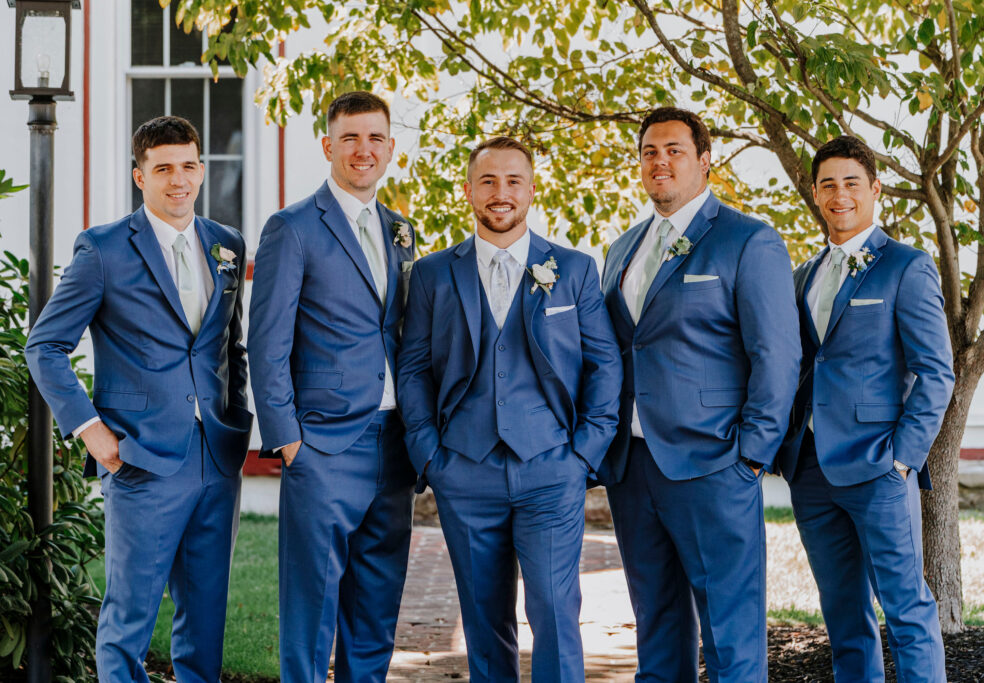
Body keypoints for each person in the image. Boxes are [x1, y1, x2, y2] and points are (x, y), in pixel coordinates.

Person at [25, 115, 251, 682]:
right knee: (128, 621)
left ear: (202, 170)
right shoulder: (103, 250)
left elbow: (231, 345)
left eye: (189, 166)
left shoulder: (226, 245)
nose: (180, 180)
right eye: (164, 168)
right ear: (139, 176)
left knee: (206, 620)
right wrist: (93, 433)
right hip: (140, 458)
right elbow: (45, 346)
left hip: (216, 457)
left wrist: (239, 419)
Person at [397, 136, 622, 683]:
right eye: (489, 181)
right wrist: (430, 456)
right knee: (483, 618)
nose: (501, 193)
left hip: (550, 469)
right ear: (469, 190)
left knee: (553, 611)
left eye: (513, 181)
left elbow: (605, 365)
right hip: (463, 471)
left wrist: (583, 456)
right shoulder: (431, 273)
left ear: (532, 189)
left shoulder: (573, 269)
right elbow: (413, 369)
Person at [598, 106, 801, 682]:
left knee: (732, 639)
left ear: (705, 161)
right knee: (657, 627)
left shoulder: (747, 240)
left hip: (716, 463)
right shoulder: (623, 248)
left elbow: (777, 353)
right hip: (634, 466)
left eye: (674, 150)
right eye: (649, 152)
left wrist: (753, 453)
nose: (659, 162)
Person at [248, 91, 417, 683]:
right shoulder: (292, 228)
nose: (363, 150)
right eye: (350, 138)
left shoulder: (402, 229)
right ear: (328, 146)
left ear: (391, 148)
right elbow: (266, 343)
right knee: (311, 612)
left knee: (375, 609)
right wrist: (288, 441)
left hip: (393, 446)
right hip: (322, 447)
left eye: (375, 138)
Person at [777, 135, 953, 683]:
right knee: (843, 617)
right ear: (815, 191)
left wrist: (902, 458)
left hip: (879, 468)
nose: (840, 194)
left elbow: (936, 372)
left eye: (852, 182)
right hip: (810, 470)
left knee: (906, 611)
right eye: (828, 183)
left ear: (874, 189)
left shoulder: (908, 266)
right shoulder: (803, 274)